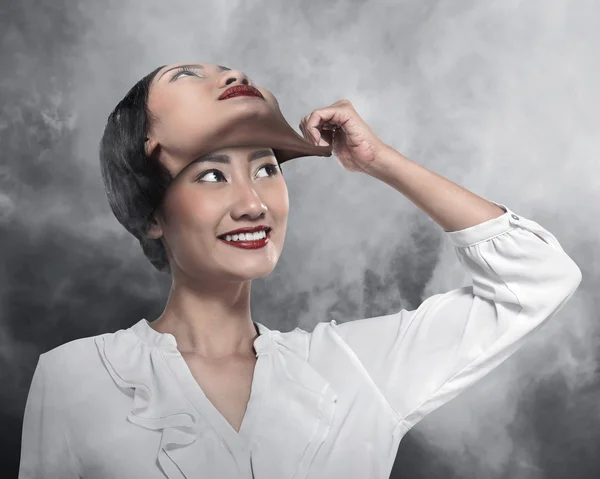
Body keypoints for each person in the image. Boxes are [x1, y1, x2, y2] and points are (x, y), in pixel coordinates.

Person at [18, 62, 582, 479]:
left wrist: (381, 161)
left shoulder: (356, 371)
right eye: (212, 175)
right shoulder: (77, 378)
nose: (253, 203)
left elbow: (537, 278)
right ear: (152, 215)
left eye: (266, 169)